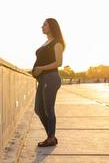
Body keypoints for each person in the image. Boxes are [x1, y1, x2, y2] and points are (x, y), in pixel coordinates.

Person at [31, 18, 65, 147]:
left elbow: (59, 63)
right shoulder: (46, 43)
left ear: (51, 26)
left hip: (51, 79)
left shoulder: (57, 43)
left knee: (48, 109)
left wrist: (41, 69)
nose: (42, 27)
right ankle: (51, 136)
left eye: (44, 24)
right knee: (39, 109)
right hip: (43, 80)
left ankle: (51, 137)